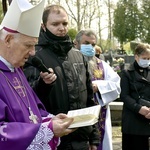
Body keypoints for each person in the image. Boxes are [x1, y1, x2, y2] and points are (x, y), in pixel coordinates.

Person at [0, 0, 75, 149]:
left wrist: (50, 120)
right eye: (28, 45)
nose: (33, 52)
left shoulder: (17, 70)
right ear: (8, 40)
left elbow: (33, 112)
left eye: (34, 45)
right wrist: (47, 130)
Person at [24, 4, 100, 150]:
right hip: (53, 140)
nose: (61, 28)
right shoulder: (34, 56)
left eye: (64, 23)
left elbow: (89, 98)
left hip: (81, 139)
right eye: (55, 24)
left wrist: (93, 138)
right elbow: (28, 99)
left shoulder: (78, 55)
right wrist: (43, 84)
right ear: (44, 26)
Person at [74, 29, 121, 150]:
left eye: (93, 44)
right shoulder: (68, 63)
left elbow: (117, 86)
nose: (90, 47)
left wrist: (99, 86)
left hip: (99, 115)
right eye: (86, 43)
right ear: (76, 44)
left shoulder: (103, 65)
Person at [120, 43, 150, 150]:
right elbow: (124, 96)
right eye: (144, 58)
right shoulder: (127, 73)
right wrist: (139, 108)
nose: (146, 61)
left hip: (148, 118)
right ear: (136, 56)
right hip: (132, 121)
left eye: (148, 58)